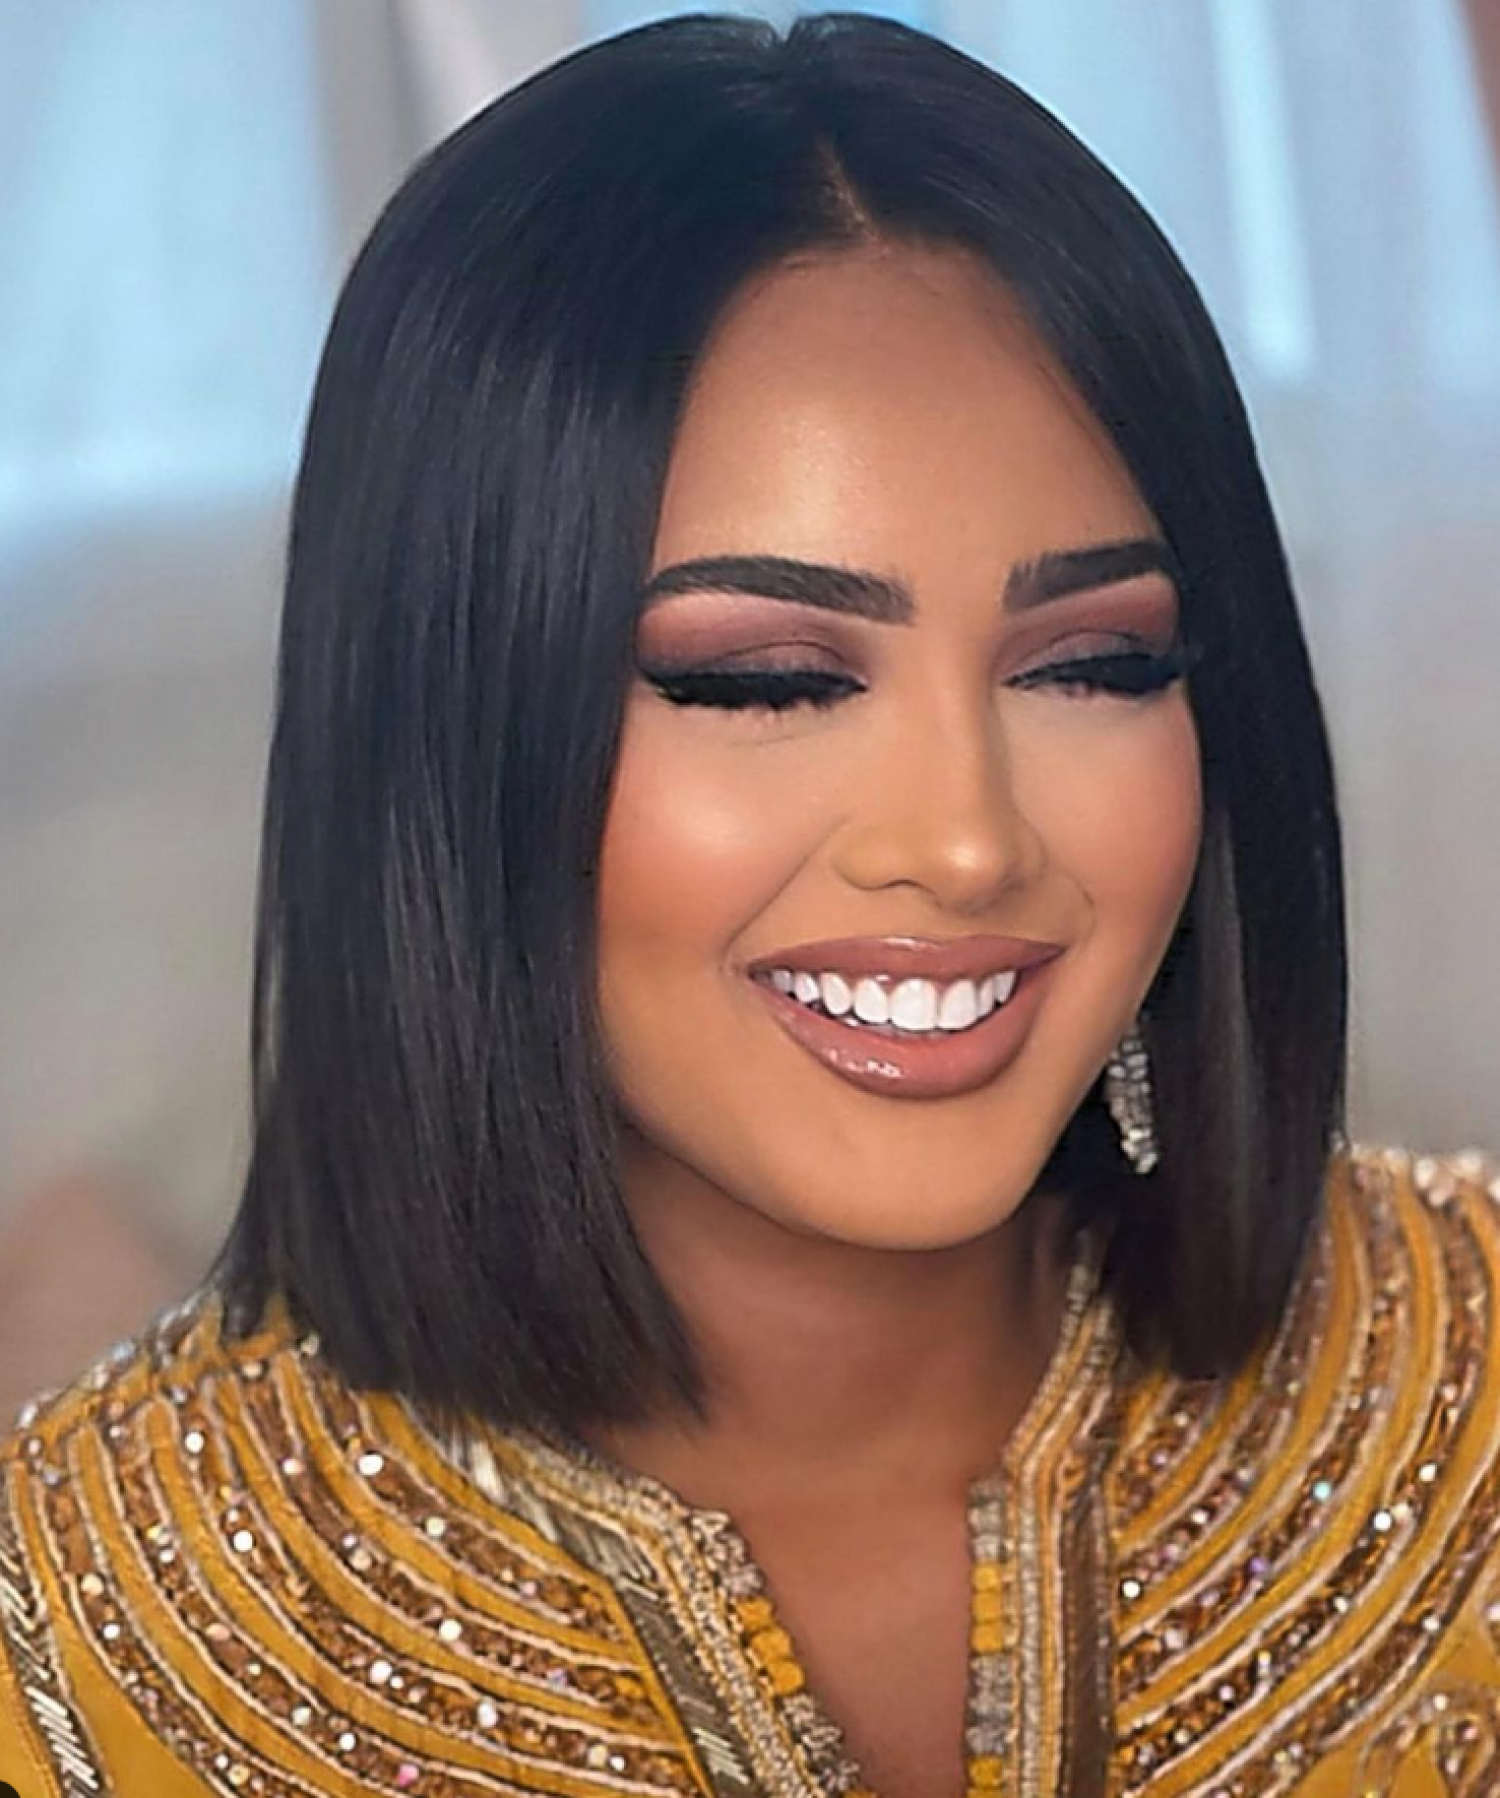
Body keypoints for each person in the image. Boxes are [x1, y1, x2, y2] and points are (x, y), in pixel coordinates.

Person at [1, 12, 1494, 1797]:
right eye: (767, 680)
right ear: (449, 741)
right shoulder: (81, 1640)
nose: (965, 841)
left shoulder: (1471, 1362)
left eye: (1091, 662)